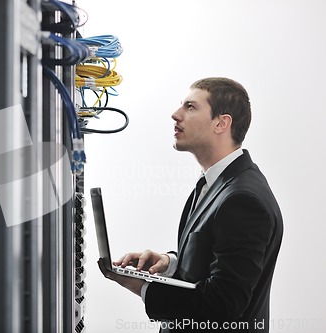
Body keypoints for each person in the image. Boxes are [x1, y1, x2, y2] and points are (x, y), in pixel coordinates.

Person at [98, 77, 283, 333]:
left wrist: (142, 287)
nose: (176, 115)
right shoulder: (215, 183)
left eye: (190, 107)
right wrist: (169, 262)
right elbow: (210, 260)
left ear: (221, 123)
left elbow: (222, 306)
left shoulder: (243, 200)